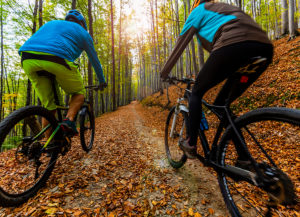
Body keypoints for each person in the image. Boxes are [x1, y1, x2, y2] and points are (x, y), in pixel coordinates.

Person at [160, 0, 273, 159]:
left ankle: (191, 143)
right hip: (264, 49)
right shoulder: (224, 9)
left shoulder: (198, 11)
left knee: (196, 92)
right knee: (221, 105)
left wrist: (164, 73)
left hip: (234, 45)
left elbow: (181, 44)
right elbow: (218, 52)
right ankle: (245, 159)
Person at [19, 9, 107, 136]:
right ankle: (69, 121)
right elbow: (95, 60)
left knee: (50, 108)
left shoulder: (51, 23)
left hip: (27, 58)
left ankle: (49, 147)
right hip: (58, 59)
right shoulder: (83, 33)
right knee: (78, 94)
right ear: (82, 24)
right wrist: (102, 81)